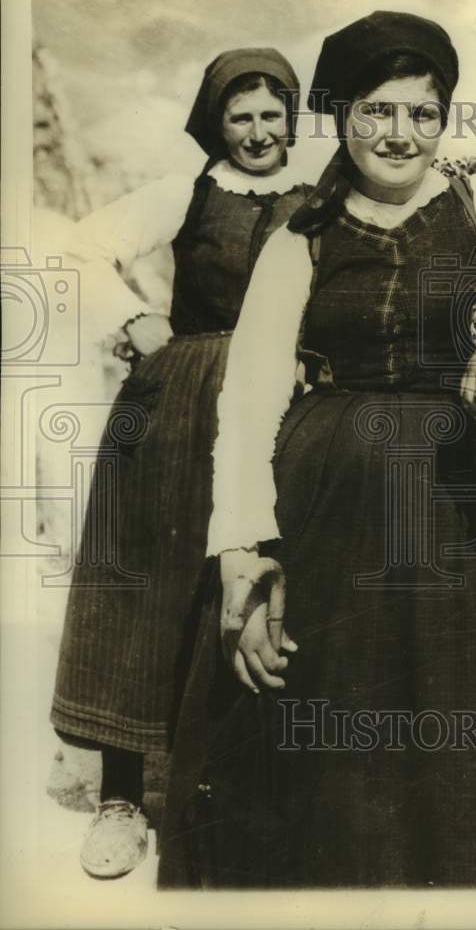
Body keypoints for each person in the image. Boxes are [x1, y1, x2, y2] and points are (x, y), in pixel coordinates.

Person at [157, 12, 476, 888]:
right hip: (323, 500)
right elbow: (250, 396)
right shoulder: (302, 236)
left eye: (423, 114)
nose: (400, 134)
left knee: (443, 717)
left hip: (445, 508)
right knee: (308, 720)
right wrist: (243, 548)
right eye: (378, 111)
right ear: (342, 114)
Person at [50, 47, 311, 879]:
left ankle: (217, 787)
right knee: (145, 586)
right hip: (173, 407)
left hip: (275, 410)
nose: (259, 132)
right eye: (241, 116)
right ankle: (122, 798)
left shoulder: (318, 202)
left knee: (246, 583)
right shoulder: (187, 192)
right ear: (215, 122)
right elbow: (77, 247)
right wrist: (134, 322)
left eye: (273, 114)